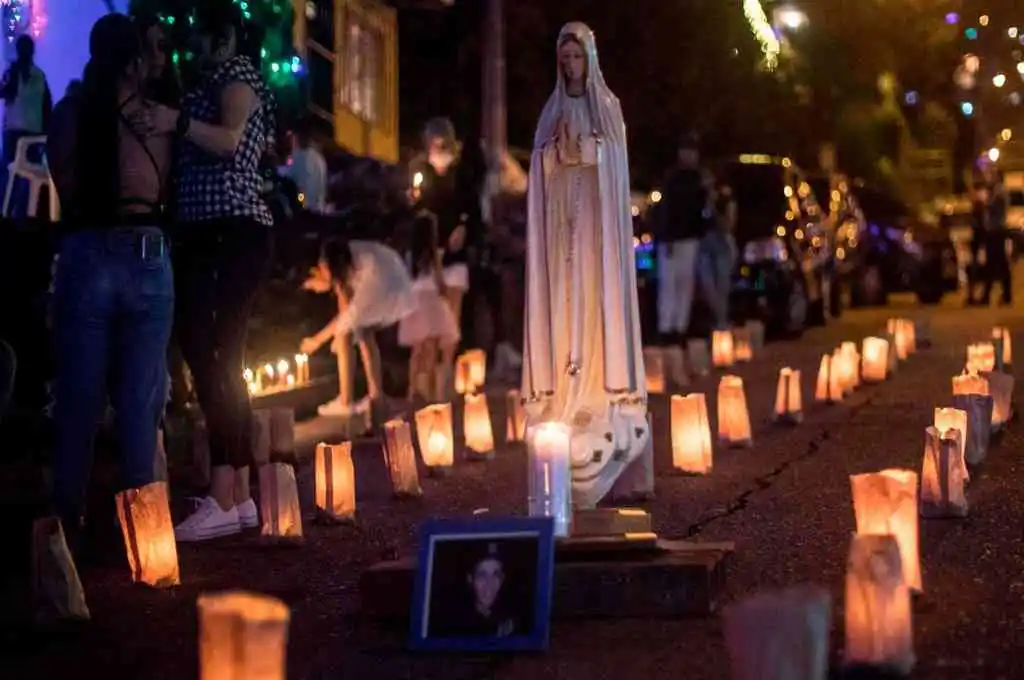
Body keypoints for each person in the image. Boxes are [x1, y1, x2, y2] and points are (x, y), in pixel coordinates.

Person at [127, 1, 276, 542]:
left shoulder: (238, 75)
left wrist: (177, 121)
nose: (197, 47)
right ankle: (235, 496)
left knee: (215, 354)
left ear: (229, 37)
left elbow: (230, 138)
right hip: (204, 233)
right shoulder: (202, 81)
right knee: (213, 356)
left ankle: (225, 492)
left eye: (208, 37)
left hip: (232, 230)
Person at [45, 14, 175, 545]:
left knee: (77, 402)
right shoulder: (153, 119)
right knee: (140, 404)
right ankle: (141, 539)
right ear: (133, 63)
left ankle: (62, 536)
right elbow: (161, 186)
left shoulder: (69, 115)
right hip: (146, 254)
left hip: (85, 255)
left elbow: (66, 185)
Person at [522, 21, 647, 508]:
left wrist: (593, 152)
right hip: (562, 233)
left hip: (595, 232)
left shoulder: (607, 107)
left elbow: (617, 160)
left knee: (594, 308)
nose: (571, 66)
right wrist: (554, 156)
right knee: (565, 307)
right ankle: (565, 394)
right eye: (565, 58)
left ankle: (600, 391)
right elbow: (537, 162)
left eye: (577, 58)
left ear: (589, 60)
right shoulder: (552, 109)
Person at [300, 237, 415, 416]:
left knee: (357, 331)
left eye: (312, 286)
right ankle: (370, 396)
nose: (316, 290)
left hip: (381, 277)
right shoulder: (340, 264)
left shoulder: (331, 266)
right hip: (389, 272)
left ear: (317, 270)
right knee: (358, 332)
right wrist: (334, 335)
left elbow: (345, 315)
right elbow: (346, 316)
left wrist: (317, 340)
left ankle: (354, 399)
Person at [413, 118, 472, 394]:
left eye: (441, 142)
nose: (437, 147)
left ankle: (443, 386)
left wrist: (463, 225)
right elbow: (421, 213)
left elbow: (470, 209)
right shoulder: (423, 170)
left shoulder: (461, 174)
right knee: (427, 327)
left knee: (450, 322)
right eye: (433, 143)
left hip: (453, 255)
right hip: (429, 255)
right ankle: (423, 389)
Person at [398, 212, 460, 401]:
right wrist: (446, 296)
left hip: (414, 300)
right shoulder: (434, 255)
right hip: (431, 299)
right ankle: (432, 391)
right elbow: (440, 281)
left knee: (416, 350)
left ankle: (412, 389)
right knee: (431, 348)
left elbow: (406, 280)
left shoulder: (409, 255)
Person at [653, 133, 710, 342]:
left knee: (684, 284)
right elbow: (665, 209)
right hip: (672, 239)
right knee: (669, 283)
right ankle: (666, 328)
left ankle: (679, 328)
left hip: (690, 238)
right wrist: (665, 236)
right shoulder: (673, 179)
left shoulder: (698, 179)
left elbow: (702, 209)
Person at [1, 35, 52, 215]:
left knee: (9, 176)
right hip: (34, 134)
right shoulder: (40, 76)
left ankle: (6, 213)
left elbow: (3, 91)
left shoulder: (13, 72)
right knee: (29, 178)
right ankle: (24, 216)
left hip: (14, 132)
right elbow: (48, 108)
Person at [443, 542, 516, 637]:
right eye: (482, 575)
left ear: (502, 579)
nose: (489, 583)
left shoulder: (513, 621)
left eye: (496, 575)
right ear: (470, 579)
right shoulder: (453, 624)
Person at [698, 179, 737, 329]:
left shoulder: (725, 201)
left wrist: (714, 208)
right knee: (708, 287)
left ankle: (721, 323)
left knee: (721, 286)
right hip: (706, 246)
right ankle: (718, 320)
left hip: (722, 246)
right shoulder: (703, 203)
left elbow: (728, 225)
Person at [981, 170, 1012, 306]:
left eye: (992, 176)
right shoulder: (996, 192)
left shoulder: (999, 192)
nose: (989, 178)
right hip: (995, 231)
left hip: (996, 231)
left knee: (996, 263)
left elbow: (991, 207)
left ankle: (990, 295)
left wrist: (985, 202)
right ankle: (1002, 295)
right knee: (997, 263)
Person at [285, 118, 328, 213]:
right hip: (319, 212)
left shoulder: (298, 157)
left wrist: (302, 202)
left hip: (305, 212)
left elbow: (298, 187)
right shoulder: (320, 159)